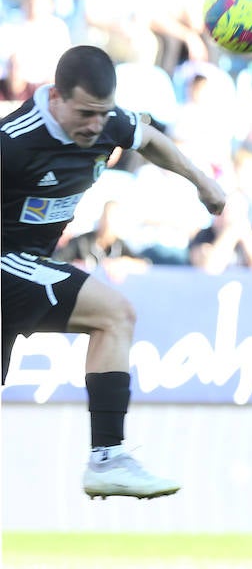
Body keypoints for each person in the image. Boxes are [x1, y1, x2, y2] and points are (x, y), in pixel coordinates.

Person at [1, 45, 226, 499]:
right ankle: (108, 458)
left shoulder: (108, 122)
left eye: (102, 114)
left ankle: (108, 459)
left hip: (28, 264)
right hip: (6, 262)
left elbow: (149, 138)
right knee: (114, 315)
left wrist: (203, 182)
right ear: (57, 97)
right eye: (85, 113)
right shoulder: (13, 144)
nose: (95, 126)